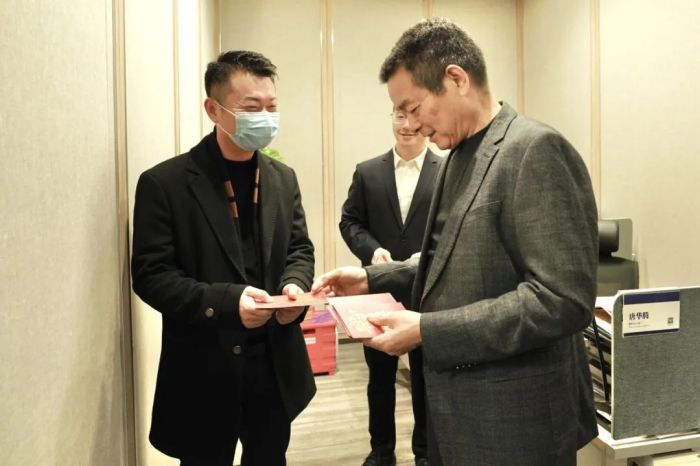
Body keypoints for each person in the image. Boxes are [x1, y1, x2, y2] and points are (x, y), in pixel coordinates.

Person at [313, 18, 598, 466]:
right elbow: (449, 259)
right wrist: (371, 278)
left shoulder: (534, 150)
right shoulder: (455, 157)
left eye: (414, 107)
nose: (410, 124)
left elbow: (561, 301)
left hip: (515, 425)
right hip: (456, 415)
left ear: (456, 79)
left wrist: (428, 330)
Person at [131, 50, 316, 466]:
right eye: (251, 108)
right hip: (203, 368)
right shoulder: (165, 183)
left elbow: (300, 248)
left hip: (274, 363)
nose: (265, 117)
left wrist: (295, 286)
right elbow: (151, 276)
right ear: (213, 110)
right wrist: (228, 302)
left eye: (271, 107)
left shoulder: (282, 178)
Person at [340, 111, 442, 466]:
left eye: (415, 117)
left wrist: (427, 255)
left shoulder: (446, 170)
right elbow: (350, 222)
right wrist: (372, 251)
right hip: (378, 289)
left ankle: (424, 453)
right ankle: (381, 451)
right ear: (391, 119)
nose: (407, 125)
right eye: (400, 116)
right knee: (379, 377)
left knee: (426, 376)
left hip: (428, 288)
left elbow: (454, 225)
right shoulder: (367, 171)